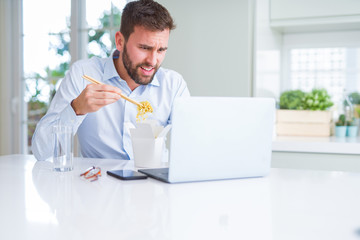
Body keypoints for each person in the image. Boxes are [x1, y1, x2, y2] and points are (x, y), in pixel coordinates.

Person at [32, 0, 190, 161]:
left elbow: (192, 144)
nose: (152, 60)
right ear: (120, 41)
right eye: (144, 48)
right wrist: (76, 108)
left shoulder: (173, 85)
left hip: (155, 182)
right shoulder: (83, 73)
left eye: (161, 50)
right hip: (98, 182)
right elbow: (41, 151)